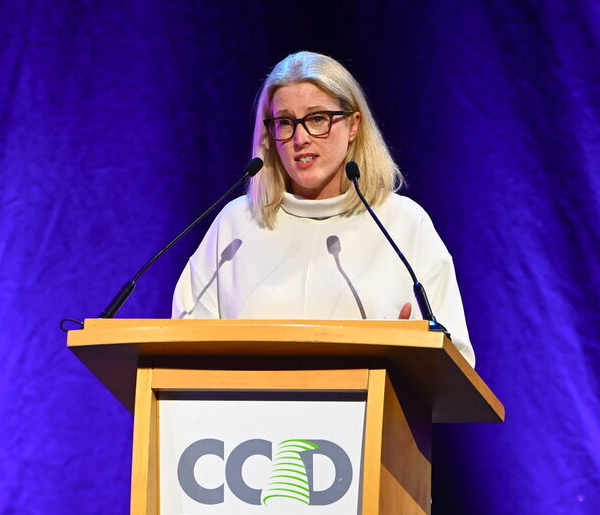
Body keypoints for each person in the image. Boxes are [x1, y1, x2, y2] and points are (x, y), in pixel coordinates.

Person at [172, 50, 475, 367]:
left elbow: (459, 360)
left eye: (317, 118)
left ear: (353, 125)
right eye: (285, 122)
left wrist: (414, 352)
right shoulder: (237, 226)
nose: (300, 138)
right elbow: (181, 344)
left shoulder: (402, 225)